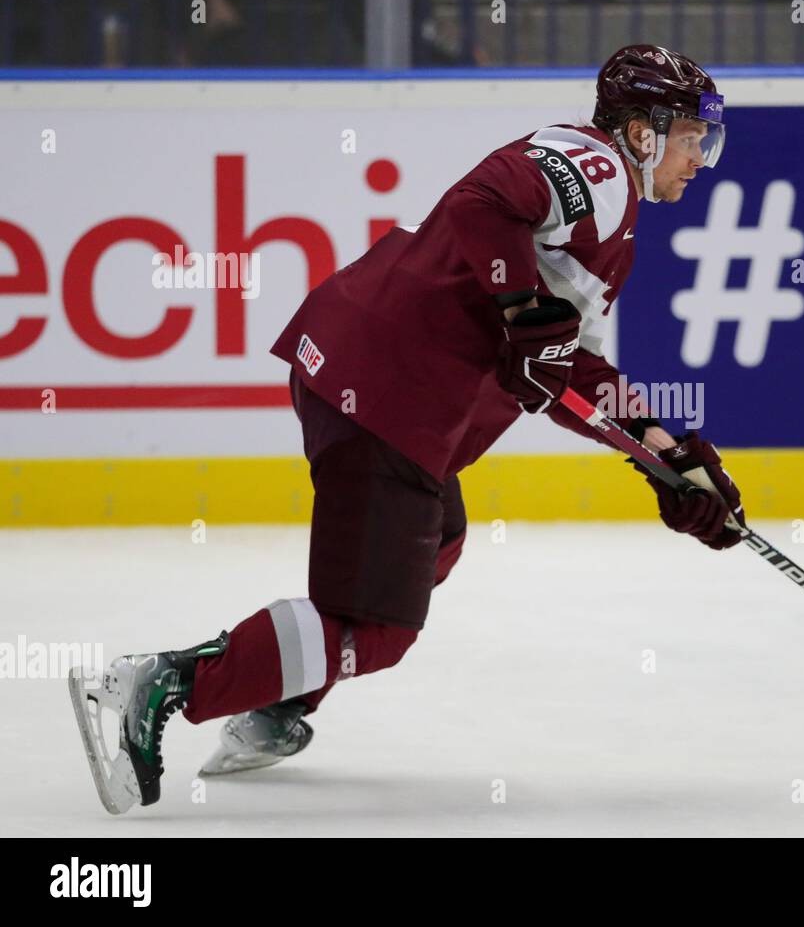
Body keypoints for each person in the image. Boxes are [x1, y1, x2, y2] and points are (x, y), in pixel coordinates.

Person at [69, 45, 747, 815]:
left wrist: (668, 455)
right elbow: (481, 205)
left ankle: (277, 699)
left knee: (439, 540)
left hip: (374, 384)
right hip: (388, 400)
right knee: (379, 629)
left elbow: (568, 371)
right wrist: (522, 308)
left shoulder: (609, 214)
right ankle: (165, 682)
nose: (701, 159)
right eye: (693, 137)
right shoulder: (596, 170)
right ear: (642, 132)